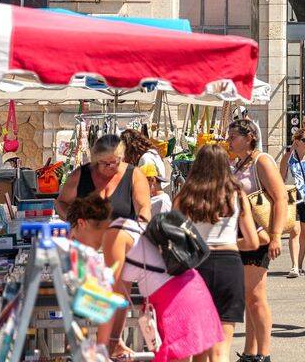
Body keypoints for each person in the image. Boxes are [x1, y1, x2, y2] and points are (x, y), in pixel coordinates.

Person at [103, 196, 224, 362]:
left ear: (82, 223)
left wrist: (105, 342)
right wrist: (115, 340)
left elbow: (113, 295)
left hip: (175, 300)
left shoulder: (114, 235)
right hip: (191, 286)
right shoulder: (132, 229)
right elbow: (121, 296)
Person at [176, 144, 260, 362]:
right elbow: (251, 242)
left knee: (198, 346)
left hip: (195, 266)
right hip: (228, 266)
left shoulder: (186, 194)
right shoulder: (237, 193)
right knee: (221, 349)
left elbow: (173, 237)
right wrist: (231, 242)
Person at [228, 118, 287, 362]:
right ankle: (251, 351)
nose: (229, 140)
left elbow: (281, 197)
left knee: (256, 297)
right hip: (242, 235)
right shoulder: (239, 162)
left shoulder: (262, 161)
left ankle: (264, 353)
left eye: (233, 136)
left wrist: (275, 236)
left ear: (249, 136)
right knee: (250, 297)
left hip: (260, 237)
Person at [57, 134, 151, 222]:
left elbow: (144, 207)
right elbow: (61, 203)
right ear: (95, 160)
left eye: (114, 162)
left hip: (121, 236)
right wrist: (73, 221)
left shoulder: (134, 175)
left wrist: (141, 225)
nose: (110, 166)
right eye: (104, 163)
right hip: (87, 237)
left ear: (121, 158)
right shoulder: (80, 175)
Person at [279, 126, 305, 278]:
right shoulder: (287, 158)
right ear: (296, 141)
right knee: (295, 231)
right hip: (292, 196)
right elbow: (280, 179)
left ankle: (300, 265)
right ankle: (294, 266)